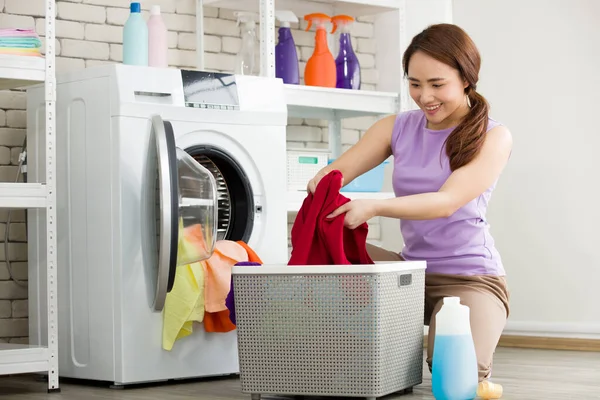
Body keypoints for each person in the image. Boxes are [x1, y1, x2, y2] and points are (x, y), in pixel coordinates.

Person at [307, 23, 512, 392]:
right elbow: (340, 169)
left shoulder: (493, 136)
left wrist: (375, 207)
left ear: (466, 79)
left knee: (455, 374)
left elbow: (446, 202)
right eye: (415, 84)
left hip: (470, 277)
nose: (424, 96)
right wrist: (322, 182)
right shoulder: (396, 127)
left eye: (437, 84)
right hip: (411, 272)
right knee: (332, 245)